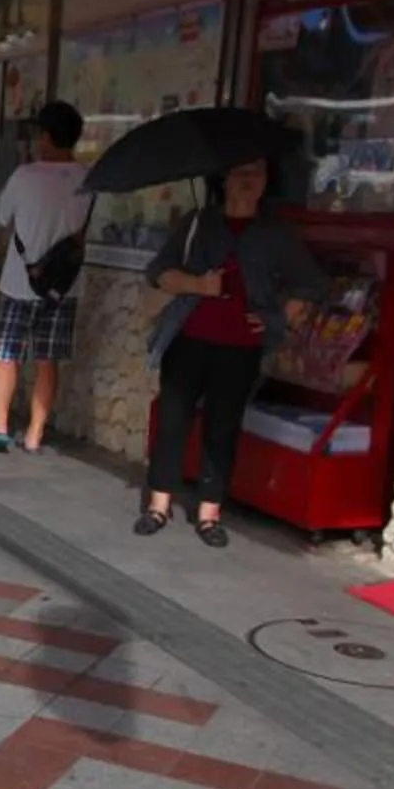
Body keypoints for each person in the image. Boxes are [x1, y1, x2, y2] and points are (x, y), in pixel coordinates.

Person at [137, 155, 323, 548]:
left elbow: (309, 285)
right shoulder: (197, 224)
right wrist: (198, 285)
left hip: (240, 346)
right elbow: (159, 271)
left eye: (258, 172)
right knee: (173, 421)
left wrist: (276, 317)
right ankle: (158, 504)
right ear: (224, 178)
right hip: (188, 336)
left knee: (222, 427)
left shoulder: (276, 234)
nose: (249, 180)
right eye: (241, 172)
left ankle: (209, 512)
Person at [0, 101, 92, 454]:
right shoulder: (89, 180)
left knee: (6, 353)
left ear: (45, 136)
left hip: (20, 282)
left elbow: (3, 217)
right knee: (47, 358)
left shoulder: (24, 176)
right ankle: (36, 433)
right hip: (64, 286)